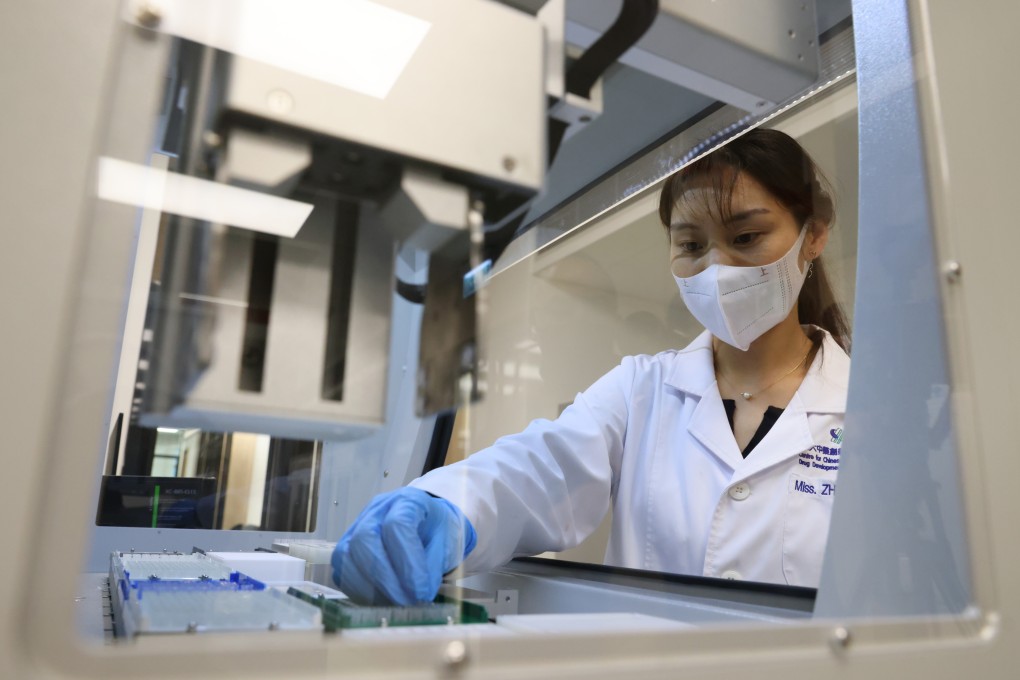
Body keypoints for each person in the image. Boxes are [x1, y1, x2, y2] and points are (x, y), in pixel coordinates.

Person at [332, 128, 852, 605]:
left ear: (813, 235)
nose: (717, 269)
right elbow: (539, 469)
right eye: (691, 245)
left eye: (746, 237)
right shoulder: (641, 389)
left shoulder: (868, 406)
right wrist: (446, 507)